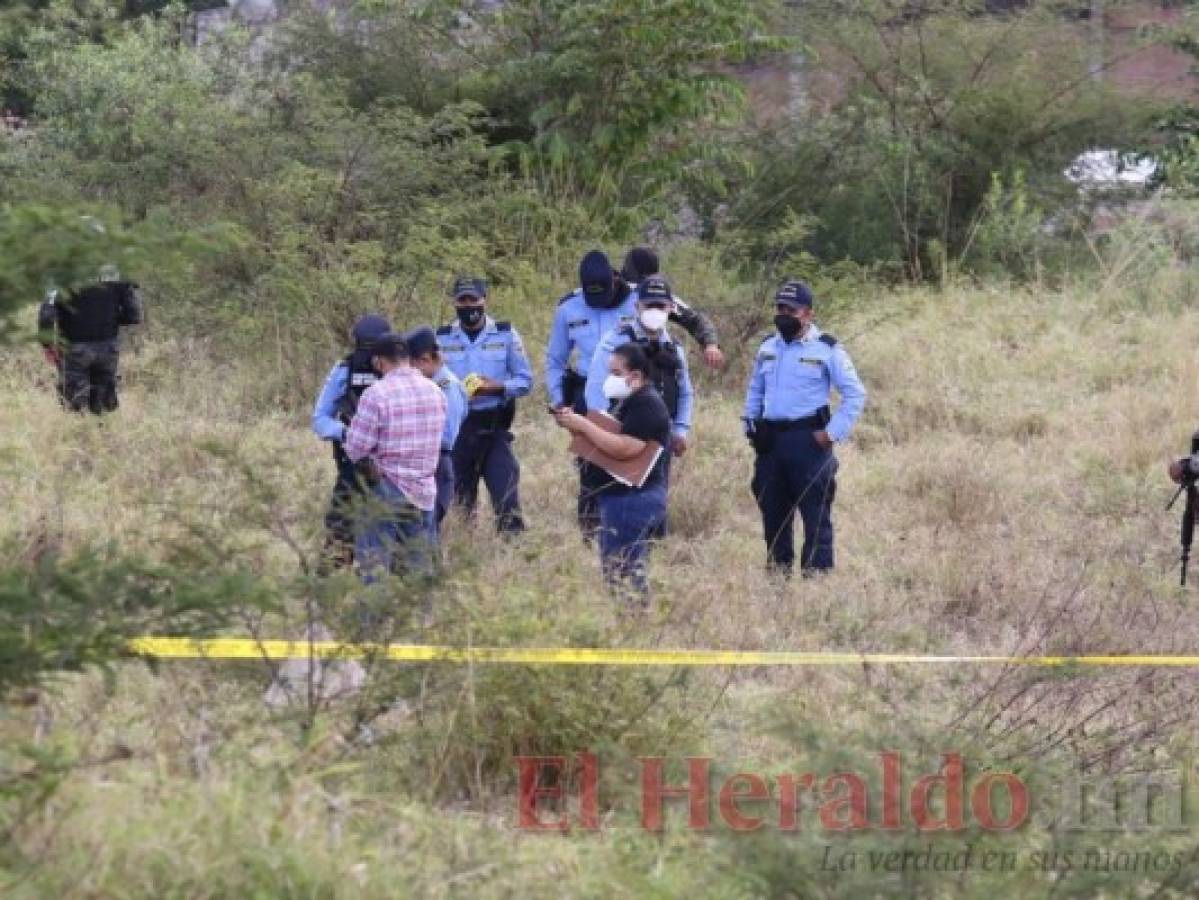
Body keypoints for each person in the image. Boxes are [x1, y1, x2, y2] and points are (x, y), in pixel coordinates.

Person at [546, 250, 720, 537]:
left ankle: (648, 538)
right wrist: (574, 410)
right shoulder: (570, 306)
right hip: (595, 393)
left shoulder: (645, 294)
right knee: (596, 471)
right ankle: (594, 535)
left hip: (648, 400)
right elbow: (557, 361)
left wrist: (710, 344)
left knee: (650, 478)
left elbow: (694, 322)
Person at [742, 280, 867, 576]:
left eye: (792, 310)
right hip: (770, 441)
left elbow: (855, 393)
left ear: (808, 314)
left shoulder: (827, 349)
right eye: (780, 308)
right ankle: (778, 577)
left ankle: (816, 581)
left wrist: (830, 434)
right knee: (773, 514)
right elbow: (755, 388)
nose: (784, 314)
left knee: (815, 514)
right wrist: (750, 424)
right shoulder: (767, 346)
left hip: (809, 441)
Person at [553, 344, 672, 603]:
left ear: (636, 376)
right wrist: (575, 426)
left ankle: (635, 626)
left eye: (616, 372)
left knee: (625, 572)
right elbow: (605, 439)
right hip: (618, 498)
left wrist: (584, 424)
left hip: (633, 499)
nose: (610, 378)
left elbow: (625, 449)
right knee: (616, 570)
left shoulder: (647, 405)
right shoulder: (627, 402)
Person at [585, 275, 693, 537]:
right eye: (649, 305)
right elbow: (595, 389)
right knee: (611, 503)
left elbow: (686, 392)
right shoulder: (617, 341)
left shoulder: (674, 348)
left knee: (653, 500)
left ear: (670, 309)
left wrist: (681, 430)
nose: (654, 311)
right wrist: (603, 432)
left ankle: (651, 551)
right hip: (622, 434)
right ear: (637, 306)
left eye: (661, 305)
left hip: (659, 438)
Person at [343, 332, 446, 580]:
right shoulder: (436, 391)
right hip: (424, 490)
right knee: (419, 571)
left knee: (374, 569)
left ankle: (375, 619)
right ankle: (422, 619)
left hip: (385, 487)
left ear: (379, 362)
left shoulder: (376, 394)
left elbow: (356, 448)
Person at [436, 276, 533, 534]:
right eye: (462, 300)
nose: (468, 306)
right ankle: (467, 555)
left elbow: (525, 381)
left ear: (484, 300)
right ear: (454, 302)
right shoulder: (442, 339)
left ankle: (513, 556)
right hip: (458, 430)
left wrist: (497, 387)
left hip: (494, 428)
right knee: (460, 505)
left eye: (473, 299)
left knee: (507, 498)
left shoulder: (505, 334)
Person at [312, 313, 391, 571]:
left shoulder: (402, 371)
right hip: (351, 464)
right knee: (340, 527)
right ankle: (329, 587)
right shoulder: (344, 370)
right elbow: (320, 419)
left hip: (391, 466)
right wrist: (346, 431)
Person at [37, 265, 143, 415]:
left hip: (74, 347)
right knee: (105, 406)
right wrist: (110, 320)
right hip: (108, 346)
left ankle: (81, 435)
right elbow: (134, 315)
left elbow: (46, 315)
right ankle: (106, 435)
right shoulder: (118, 272)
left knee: (74, 405)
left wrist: (47, 345)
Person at [405, 325, 469, 535]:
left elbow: (446, 438)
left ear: (425, 360)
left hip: (438, 467)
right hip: (424, 467)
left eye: (410, 365)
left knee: (426, 533)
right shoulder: (428, 385)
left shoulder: (447, 388)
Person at [618, 247, 723, 370]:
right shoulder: (611, 294)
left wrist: (710, 344)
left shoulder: (659, 296)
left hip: (646, 366)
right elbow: (695, 320)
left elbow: (695, 320)